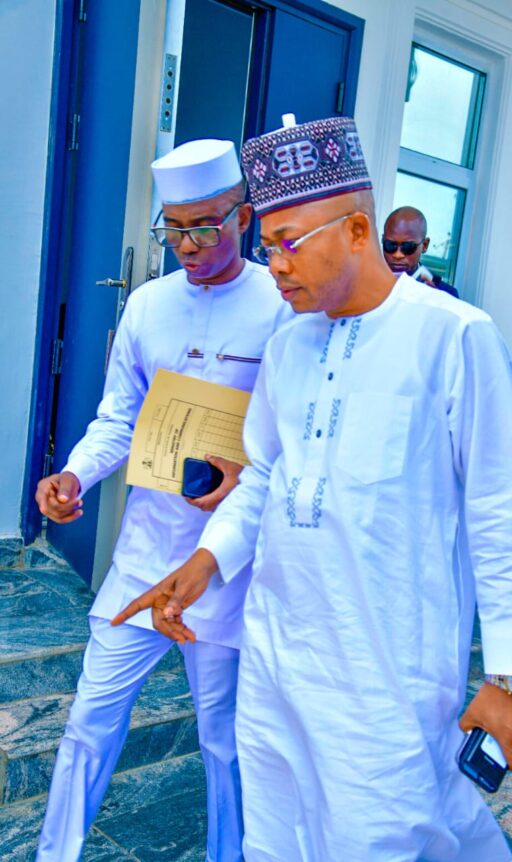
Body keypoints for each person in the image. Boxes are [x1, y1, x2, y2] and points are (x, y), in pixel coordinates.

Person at [115, 116, 512, 861]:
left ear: (356, 230)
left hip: (385, 676)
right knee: (274, 838)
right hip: (277, 659)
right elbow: (266, 475)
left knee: (381, 838)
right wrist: (205, 563)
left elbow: (499, 508)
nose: (274, 266)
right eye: (267, 246)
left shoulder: (453, 336)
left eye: (289, 244)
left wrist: (511, 676)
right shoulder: (289, 343)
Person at [34, 139, 289, 862]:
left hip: (229, 567)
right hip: (146, 552)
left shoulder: (281, 305)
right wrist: (74, 476)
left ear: (243, 217)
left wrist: (245, 472)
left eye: (204, 227)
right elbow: (119, 417)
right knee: (89, 719)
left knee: (222, 740)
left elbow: (292, 438)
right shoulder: (147, 305)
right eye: (173, 230)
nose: (188, 246)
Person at [382, 205, 459, 297]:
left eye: (408, 247)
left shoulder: (444, 294)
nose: (397, 255)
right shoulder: (367, 283)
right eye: (390, 245)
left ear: (424, 245)